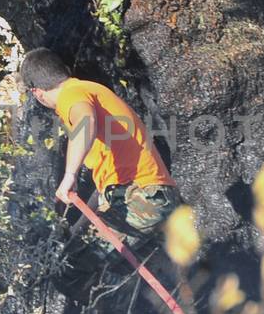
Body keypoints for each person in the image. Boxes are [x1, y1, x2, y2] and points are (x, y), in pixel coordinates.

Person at [19, 48, 179, 264]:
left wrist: (69, 176)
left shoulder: (72, 93)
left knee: (77, 265)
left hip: (144, 199)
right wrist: (75, 229)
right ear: (65, 70)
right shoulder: (89, 90)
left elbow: (86, 123)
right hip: (147, 198)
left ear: (37, 93)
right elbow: (105, 187)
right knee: (81, 259)